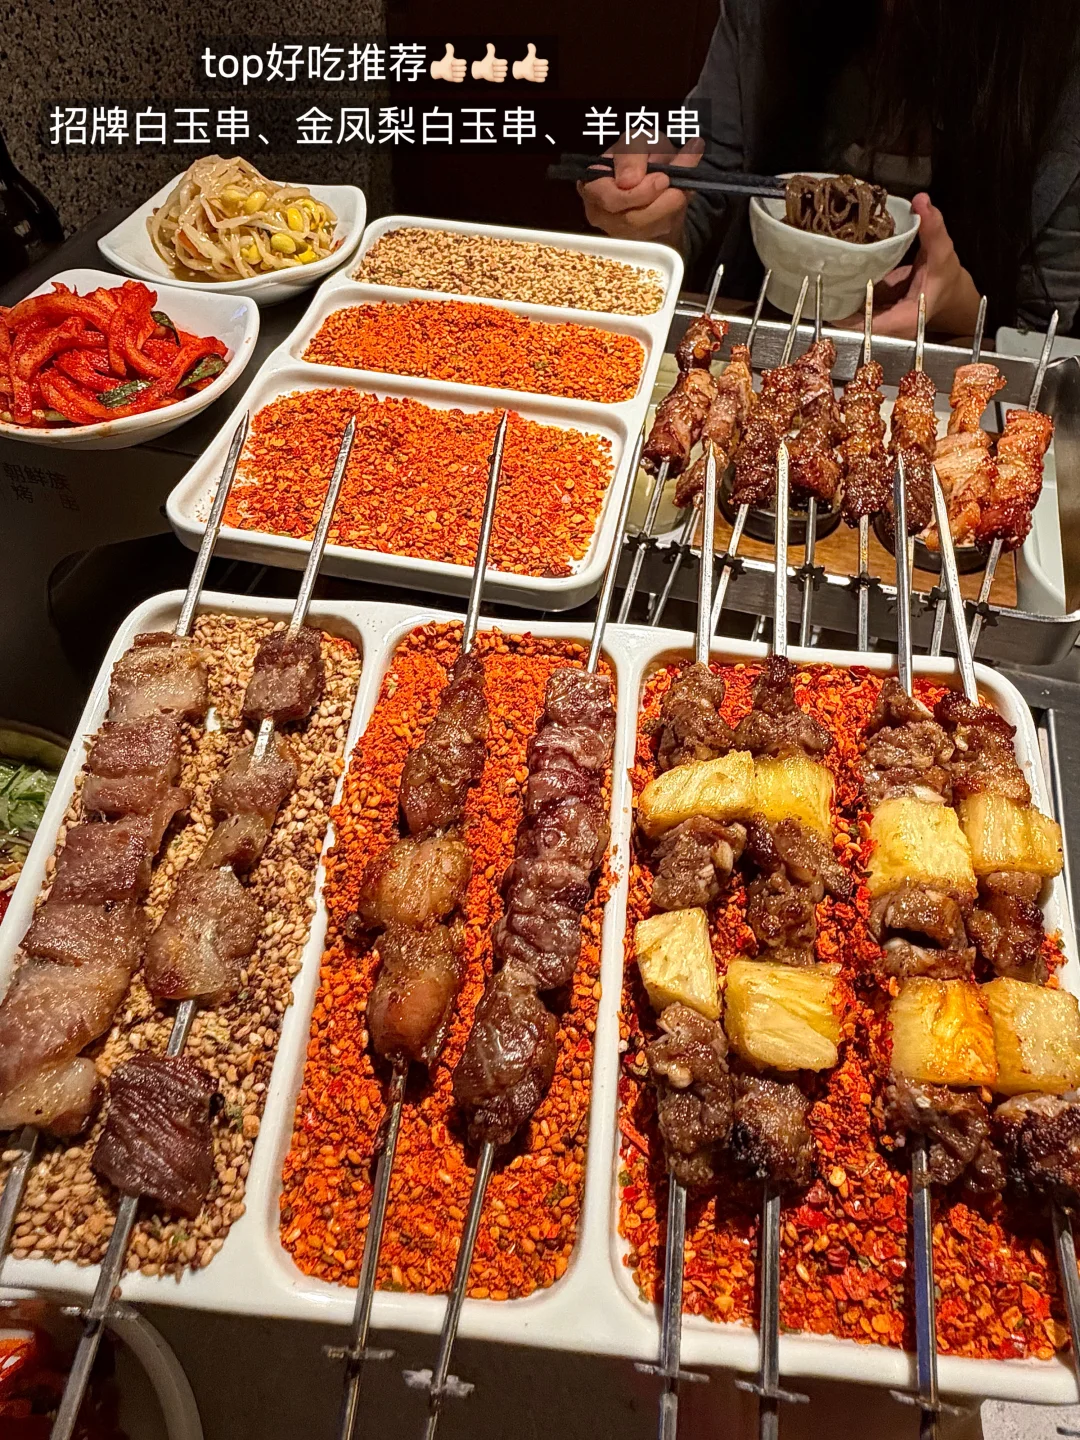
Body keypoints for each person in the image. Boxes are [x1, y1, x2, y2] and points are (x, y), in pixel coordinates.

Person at [580, 0, 1080, 337]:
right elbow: (698, 184)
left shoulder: (1060, 56)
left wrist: (959, 310)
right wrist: (652, 218)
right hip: (752, 339)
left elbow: (1043, 337)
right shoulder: (763, 13)